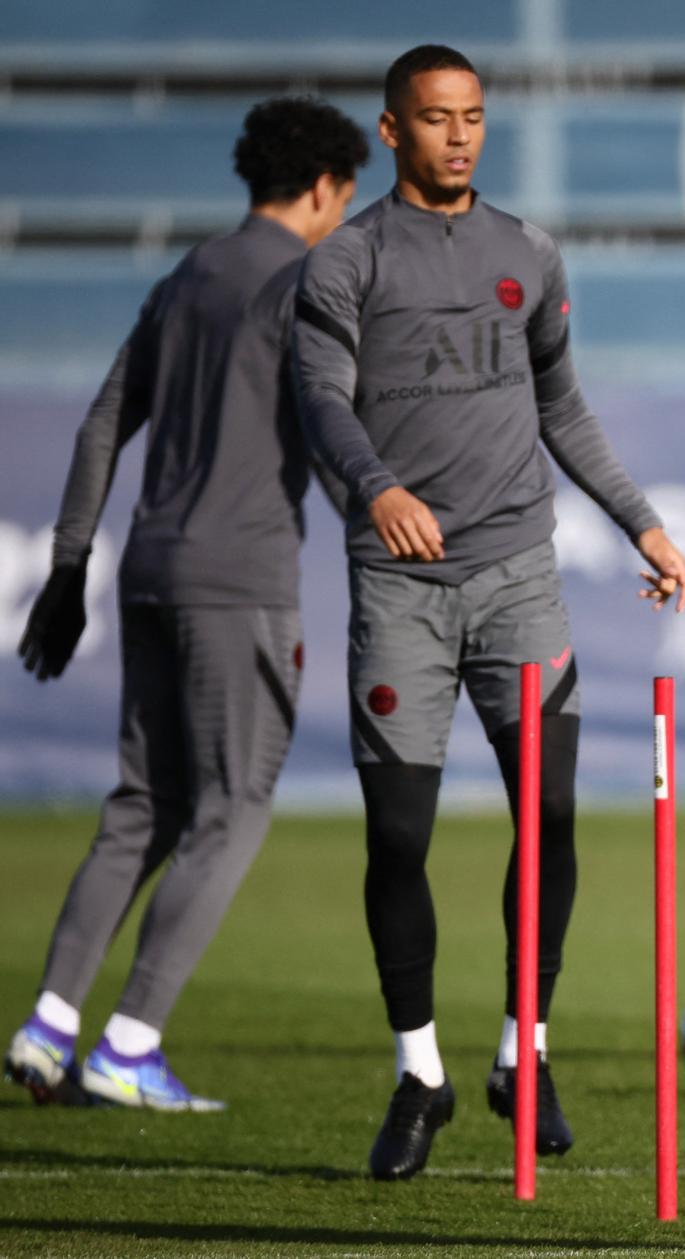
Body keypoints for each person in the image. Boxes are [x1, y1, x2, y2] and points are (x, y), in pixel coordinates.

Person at [292, 44, 685, 1180]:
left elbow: (561, 403)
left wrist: (641, 522)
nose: (459, 135)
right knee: (399, 838)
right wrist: (378, 487)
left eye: (471, 116)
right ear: (390, 131)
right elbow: (319, 399)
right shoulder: (347, 263)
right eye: (435, 118)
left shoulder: (528, 252)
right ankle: (420, 1069)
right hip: (401, 590)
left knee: (551, 817)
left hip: (522, 576)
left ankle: (527, 1049)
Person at [5, 98, 368, 1111]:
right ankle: (131, 1041)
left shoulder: (188, 275)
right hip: (239, 582)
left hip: (149, 568)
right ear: (324, 189)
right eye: (345, 197)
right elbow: (334, 437)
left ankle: (49, 1024)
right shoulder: (306, 281)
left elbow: (98, 427)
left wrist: (69, 566)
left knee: (141, 806)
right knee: (233, 807)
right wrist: (385, 528)